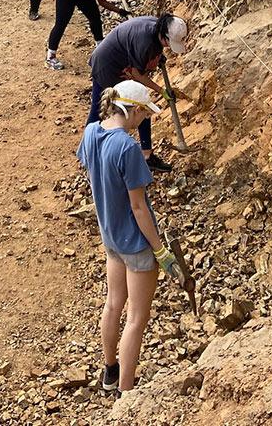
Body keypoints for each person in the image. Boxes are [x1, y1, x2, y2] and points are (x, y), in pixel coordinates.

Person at [77, 80, 179, 394]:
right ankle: (126, 394)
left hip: (110, 236)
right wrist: (160, 250)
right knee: (136, 318)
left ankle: (110, 373)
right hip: (135, 244)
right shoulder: (127, 148)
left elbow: (93, 175)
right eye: (143, 114)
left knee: (113, 304)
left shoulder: (91, 132)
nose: (143, 121)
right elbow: (139, 207)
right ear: (132, 109)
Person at [87, 14, 188, 173]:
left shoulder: (158, 26)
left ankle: (147, 155)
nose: (169, 47)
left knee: (142, 105)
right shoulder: (145, 43)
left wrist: (158, 56)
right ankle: (89, 151)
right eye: (168, 43)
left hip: (117, 59)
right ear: (163, 36)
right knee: (102, 108)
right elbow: (137, 75)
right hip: (107, 65)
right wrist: (161, 90)